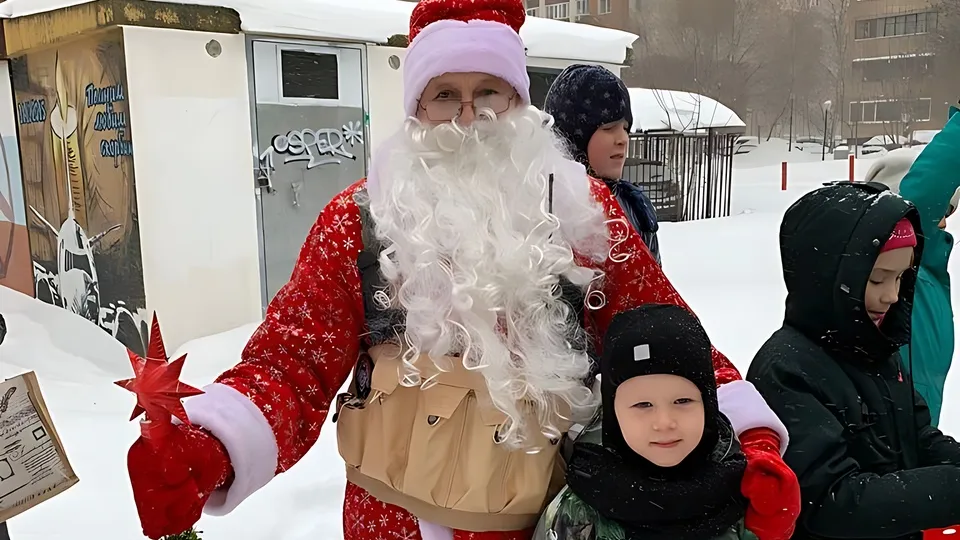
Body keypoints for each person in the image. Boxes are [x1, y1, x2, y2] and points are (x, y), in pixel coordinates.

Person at [125, 1, 798, 539]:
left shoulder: (581, 212)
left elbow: (671, 338)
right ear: (416, 107)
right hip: (393, 522)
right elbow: (292, 363)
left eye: (489, 93)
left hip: (551, 516)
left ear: (520, 102)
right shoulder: (358, 220)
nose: (468, 117)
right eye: (445, 94)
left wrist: (754, 443)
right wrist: (209, 446)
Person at [747, 181, 960, 540]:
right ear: (826, 277)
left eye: (901, 278)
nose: (892, 295)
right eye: (877, 279)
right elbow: (833, 501)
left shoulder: (875, 348)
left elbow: (917, 436)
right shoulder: (785, 371)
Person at [535, 304, 793, 540]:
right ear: (613, 414)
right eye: (643, 405)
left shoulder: (746, 494)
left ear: (708, 404)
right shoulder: (582, 507)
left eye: (682, 401)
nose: (664, 422)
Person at [864, 107, 960, 426]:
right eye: (939, 210)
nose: (945, 220)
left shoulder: (928, 270)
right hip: (896, 441)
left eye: (949, 209)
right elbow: (924, 190)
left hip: (920, 432)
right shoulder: (905, 267)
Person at [543, 65, 662, 265]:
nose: (622, 139)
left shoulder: (635, 208)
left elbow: (653, 287)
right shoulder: (541, 212)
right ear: (572, 138)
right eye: (608, 128)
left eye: (625, 128)